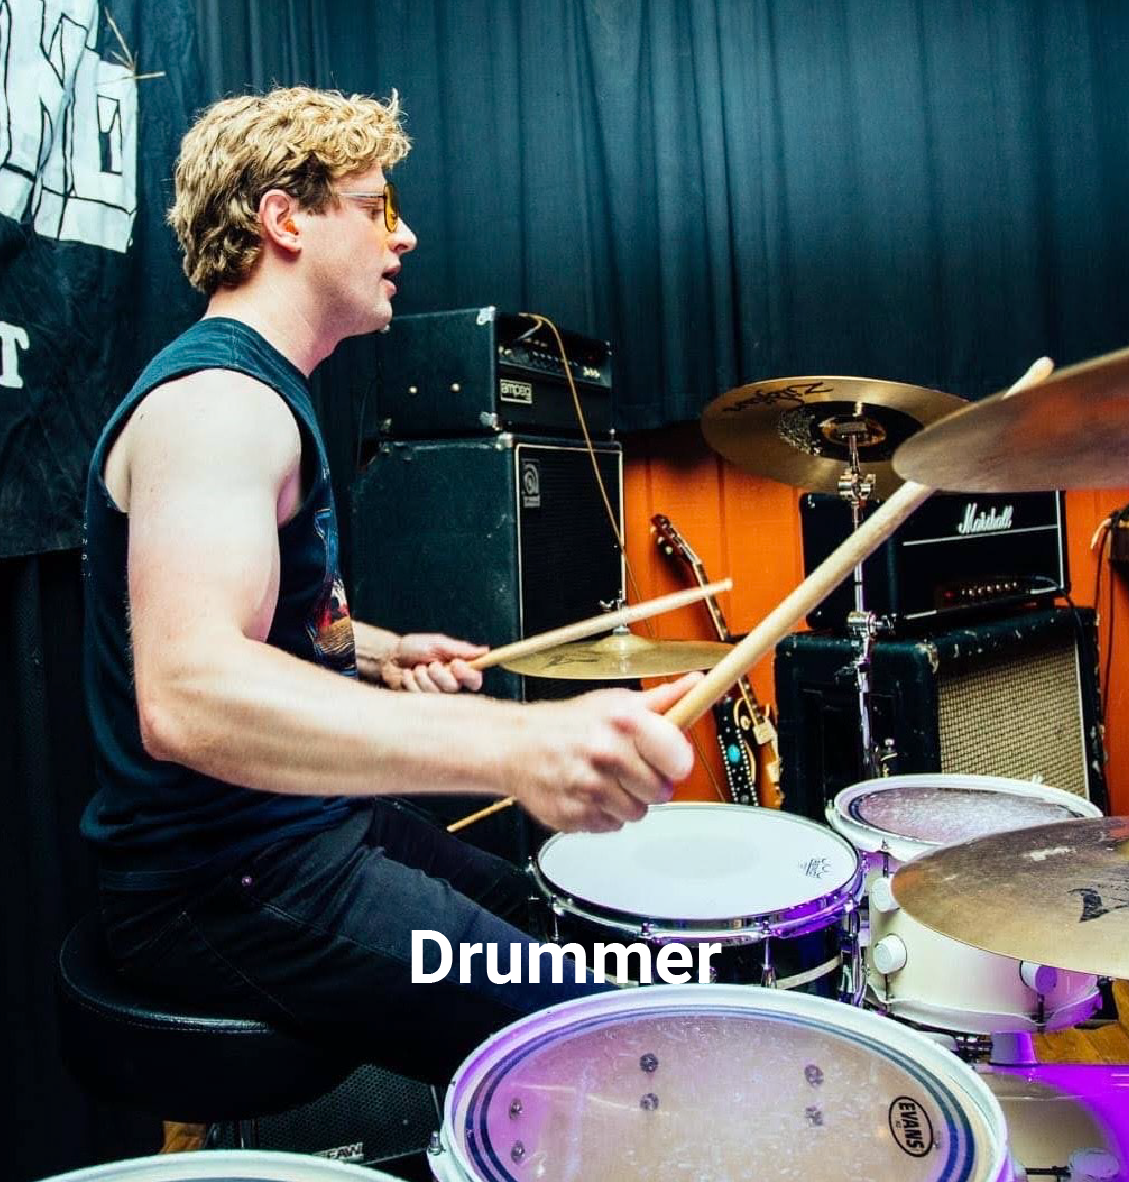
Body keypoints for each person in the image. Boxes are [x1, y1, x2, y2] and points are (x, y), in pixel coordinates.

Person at [81, 86, 698, 1084]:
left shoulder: (263, 386)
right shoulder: (220, 405)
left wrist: (377, 649)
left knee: (570, 926)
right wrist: (517, 743)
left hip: (302, 827)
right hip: (220, 880)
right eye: (378, 209)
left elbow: (252, 615)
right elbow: (189, 693)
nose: (402, 239)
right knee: (610, 1046)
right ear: (285, 218)